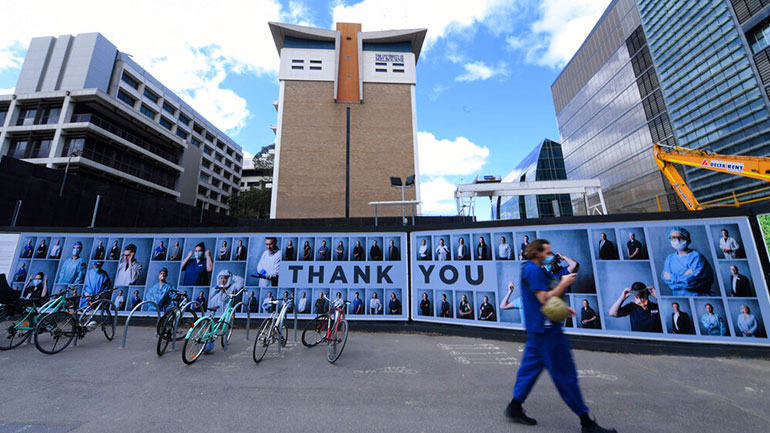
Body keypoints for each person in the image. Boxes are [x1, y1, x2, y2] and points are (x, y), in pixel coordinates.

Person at [505, 239, 615, 432]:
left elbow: (541, 298)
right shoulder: (534, 270)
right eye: (547, 252)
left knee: (529, 371)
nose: (551, 255)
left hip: (538, 330)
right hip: (548, 332)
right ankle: (587, 422)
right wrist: (564, 283)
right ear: (537, 253)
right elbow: (543, 298)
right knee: (565, 375)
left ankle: (514, 407)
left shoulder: (532, 269)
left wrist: (563, 308)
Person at [661, 227, 714, 296]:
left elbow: (691, 282)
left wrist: (671, 277)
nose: (677, 240)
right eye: (673, 237)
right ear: (669, 239)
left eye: (680, 237)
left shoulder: (696, 257)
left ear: (686, 239)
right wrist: (684, 276)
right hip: (677, 296)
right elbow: (665, 278)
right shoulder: (670, 258)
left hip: (696, 296)